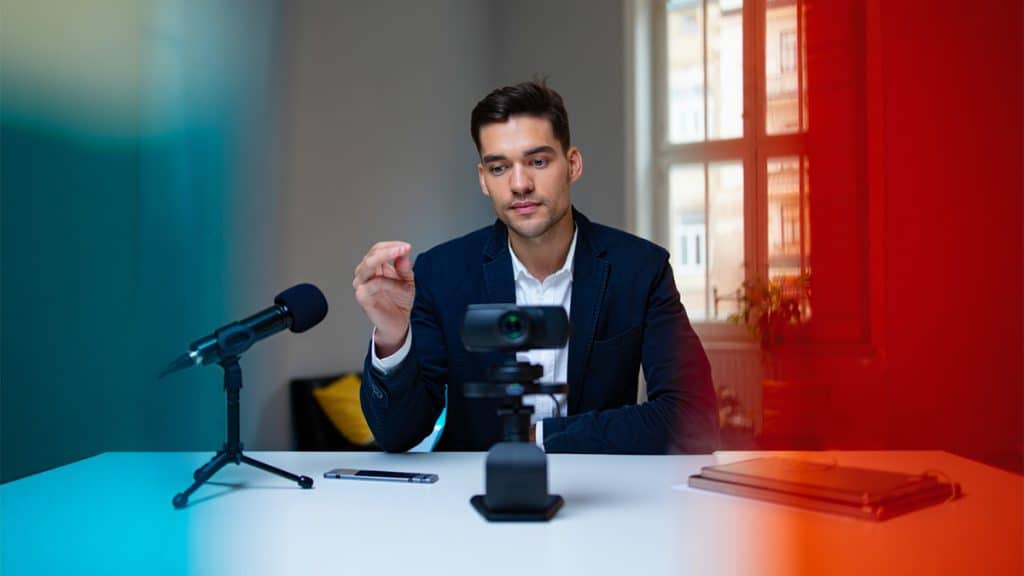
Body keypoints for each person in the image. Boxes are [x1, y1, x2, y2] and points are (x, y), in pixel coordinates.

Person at [352, 81, 718, 454]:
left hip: (600, 492)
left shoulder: (641, 269)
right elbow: (399, 435)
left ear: (572, 164)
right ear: (483, 179)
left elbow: (694, 417)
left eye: (537, 161)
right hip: (470, 499)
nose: (519, 184)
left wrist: (541, 438)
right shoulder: (440, 273)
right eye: (499, 168)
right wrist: (393, 337)